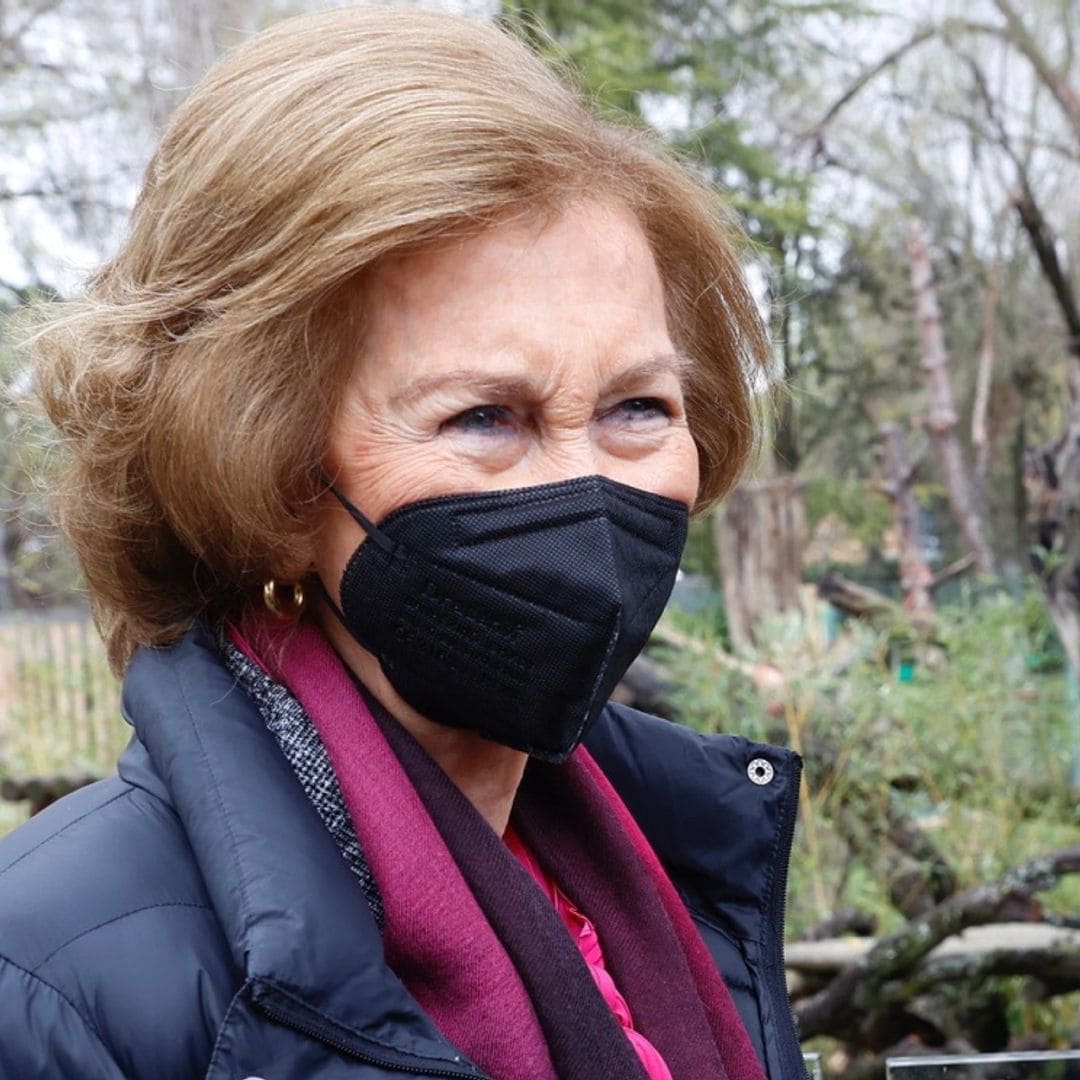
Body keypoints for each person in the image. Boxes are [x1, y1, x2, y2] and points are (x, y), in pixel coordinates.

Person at [0, 6, 803, 1079]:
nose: (589, 489)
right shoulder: (51, 982)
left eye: (639, 407)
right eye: (485, 419)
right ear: (275, 482)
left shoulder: (686, 866)